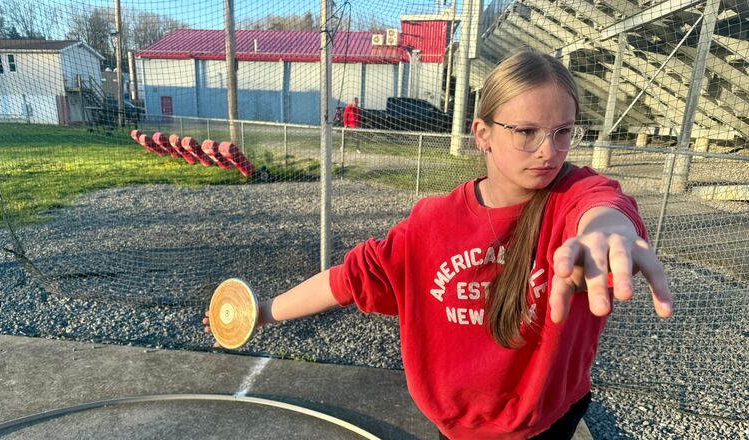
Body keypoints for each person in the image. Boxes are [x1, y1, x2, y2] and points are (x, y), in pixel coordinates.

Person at [204, 50, 673, 439]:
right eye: (527, 132)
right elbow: (348, 279)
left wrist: (608, 228)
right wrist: (261, 311)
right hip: (458, 427)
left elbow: (603, 204)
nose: (549, 150)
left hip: (545, 421)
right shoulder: (432, 223)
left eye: (563, 132)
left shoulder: (572, 198)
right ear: (483, 134)